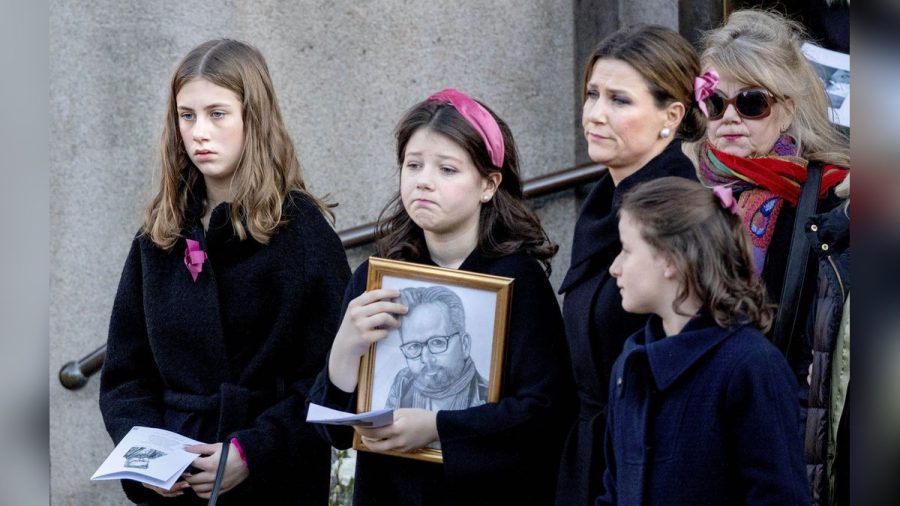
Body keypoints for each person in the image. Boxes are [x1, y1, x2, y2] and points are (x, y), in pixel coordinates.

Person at [98, 39, 349, 504]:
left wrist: (252, 451)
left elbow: (327, 383)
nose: (199, 132)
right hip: (175, 485)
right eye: (187, 115)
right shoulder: (160, 233)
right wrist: (147, 461)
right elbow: (125, 376)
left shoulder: (303, 235)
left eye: (218, 113)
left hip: (273, 484)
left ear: (253, 118)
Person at [309, 88, 576, 505]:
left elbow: (546, 412)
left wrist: (438, 426)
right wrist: (344, 352)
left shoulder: (518, 281)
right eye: (413, 165)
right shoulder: (375, 278)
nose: (424, 181)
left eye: (447, 169)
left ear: (488, 185)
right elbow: (337, 433)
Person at [696, 10, 850, 503]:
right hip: (702, 420)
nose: (729, 119)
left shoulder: (829, 200)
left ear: (787, 108)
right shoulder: (684, 192)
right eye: (714, 102)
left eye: (752, 102)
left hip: (783, 426)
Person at [555, 25, 704, 506]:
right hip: (589, 456)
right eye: (592, 94)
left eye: (620, 100)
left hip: (648, 464)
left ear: (671, 116)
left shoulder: (681, 214)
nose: (595, 114)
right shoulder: (603, 204)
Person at [597, 177, 809, 505]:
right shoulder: (630, 364)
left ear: (670, 259)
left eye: (626, 250)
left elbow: (780, 496)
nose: (615, 267)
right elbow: (613, 491)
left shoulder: (751, 366)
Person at [385, 286, 488, 411]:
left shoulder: (488, 397)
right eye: (413, 346)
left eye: (437, 342)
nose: (426, 359)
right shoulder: (403, 383)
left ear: (464, 344)